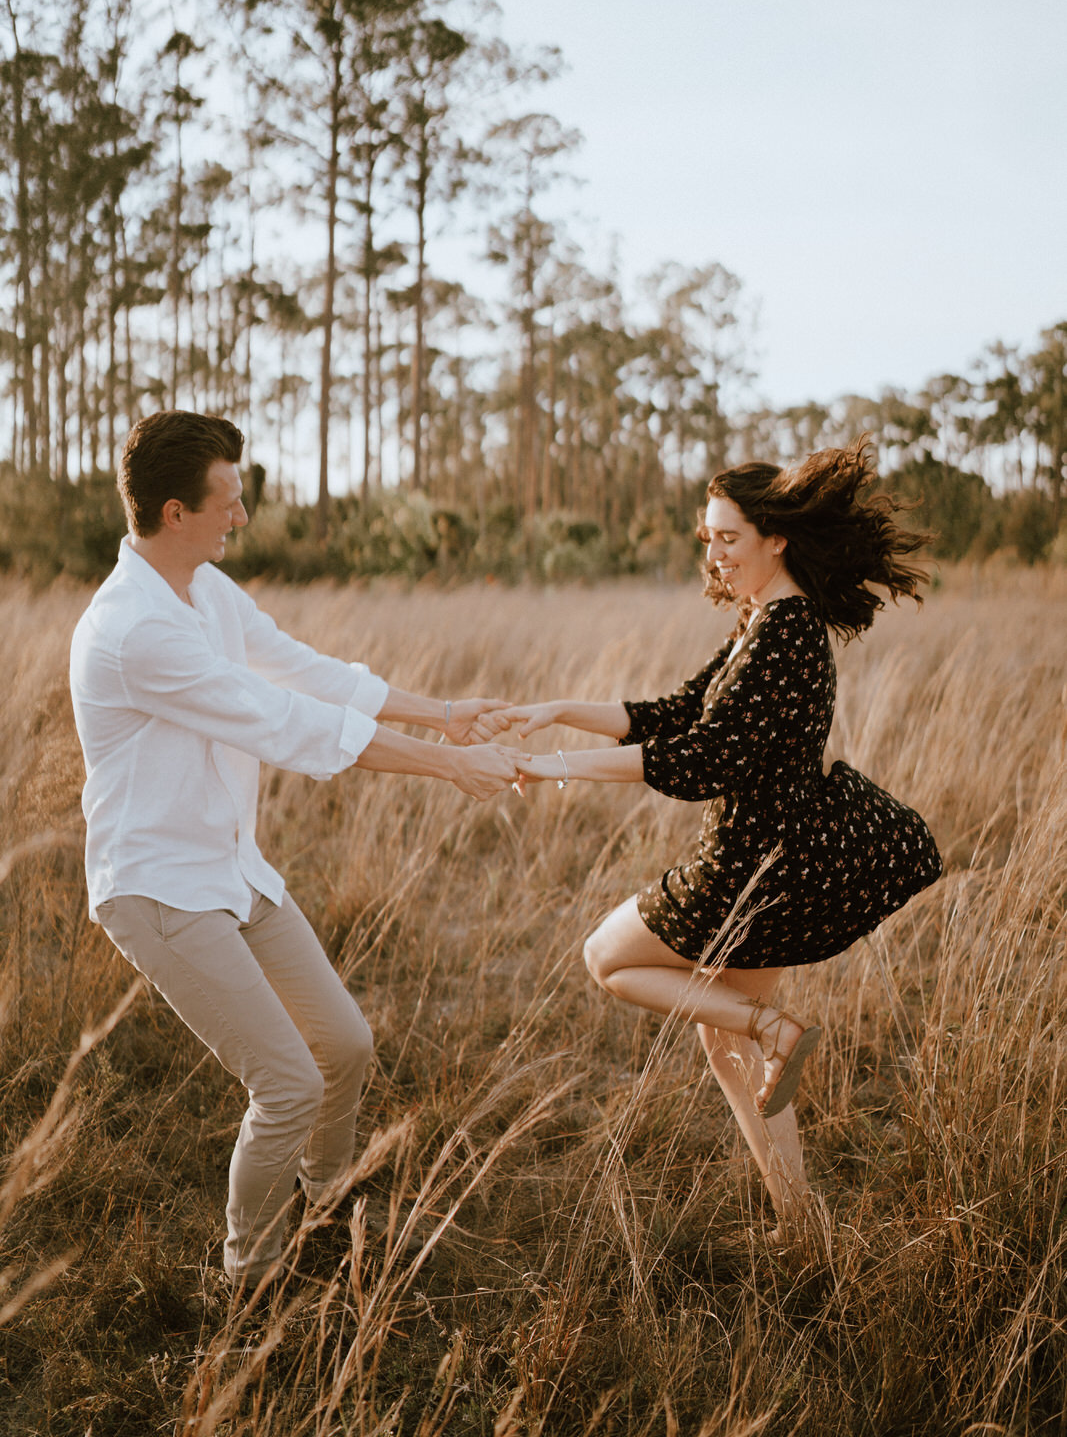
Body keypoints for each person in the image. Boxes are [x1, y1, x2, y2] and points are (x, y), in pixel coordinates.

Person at [69, 411, 522, 1289]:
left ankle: (328, 1204)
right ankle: (251, 1279)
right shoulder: (134, 630)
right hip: (161, 889)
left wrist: (443, 713)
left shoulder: (204, 591)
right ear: (175, 512)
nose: (242, 515)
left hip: (232, 869)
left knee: (344, 1048)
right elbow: (279, 720)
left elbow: (302, 669)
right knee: (287, 1087)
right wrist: (446, 765)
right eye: (230, 501)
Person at [508, 441, 942, 1239]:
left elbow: (704, 760)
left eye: (728, 538)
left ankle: (776, 1031)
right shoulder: (764, 619)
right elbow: (676, 712)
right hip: (779, 859)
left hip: (749, 866)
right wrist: (557, 709)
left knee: (607, 958)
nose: (713, 554)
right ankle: (799, 1225)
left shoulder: (785, 631)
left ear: (775, 537)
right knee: (721, 1037)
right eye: (706, 538)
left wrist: (555, 764)